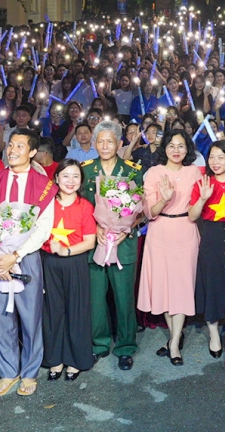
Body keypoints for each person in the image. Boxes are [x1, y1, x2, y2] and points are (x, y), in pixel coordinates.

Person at [0, 127, 56, 397]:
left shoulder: (44, 185)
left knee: (30, 316)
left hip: (27, 258)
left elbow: (43, 228)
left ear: (33, 151)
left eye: (20, 146)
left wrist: (16, 255)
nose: (12, 150)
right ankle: (8, 371)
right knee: (1, 317)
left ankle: (29, 372)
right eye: (10, 145)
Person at [80, 120, 143, 370]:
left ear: (119, 144)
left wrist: (125, 229)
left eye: (110, 141)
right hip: (94, 242)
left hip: (123, 243)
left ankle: (126, 346)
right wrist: (94, 228)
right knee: (96, 299)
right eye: (100, 141)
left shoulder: (131, 171)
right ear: (94, 143)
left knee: (124, 298)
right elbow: (81, 206)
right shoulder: (86, 170)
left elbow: (141, 210)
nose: (105, 146)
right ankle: (100, 343)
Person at [138, 128, 202, 364]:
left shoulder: (194, 172)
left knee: (182, 286)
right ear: (164, 148)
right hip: (160, 232)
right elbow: (150, 212)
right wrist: (164, 199)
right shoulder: (154, 173)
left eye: (181, 145)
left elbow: (197, 207)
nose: (176, 150)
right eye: (172, 145)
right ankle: (175, 338)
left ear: (188, 149)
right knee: (164, 286)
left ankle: (174, 342)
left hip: (186, 229)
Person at [41, 159, 97, 382]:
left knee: (76, 311)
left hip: (75, 263)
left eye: (75, 176)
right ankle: (55, 359)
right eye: (65, 175)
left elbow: (90, 242)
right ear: (56, 178)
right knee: (52, 311)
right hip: (49, 263)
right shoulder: (47, 205)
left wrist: (66, 251)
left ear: (81, 180)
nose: (70, 181)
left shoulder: (85, 206)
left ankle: (76, 360)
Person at [189, 140, 225, 358]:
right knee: (211, 282)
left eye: (221, 157)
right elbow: (192, 215)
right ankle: (214, 334)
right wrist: (202, 199)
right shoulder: (203, 183)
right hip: (210, 235)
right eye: (212, 157)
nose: (215, 162)